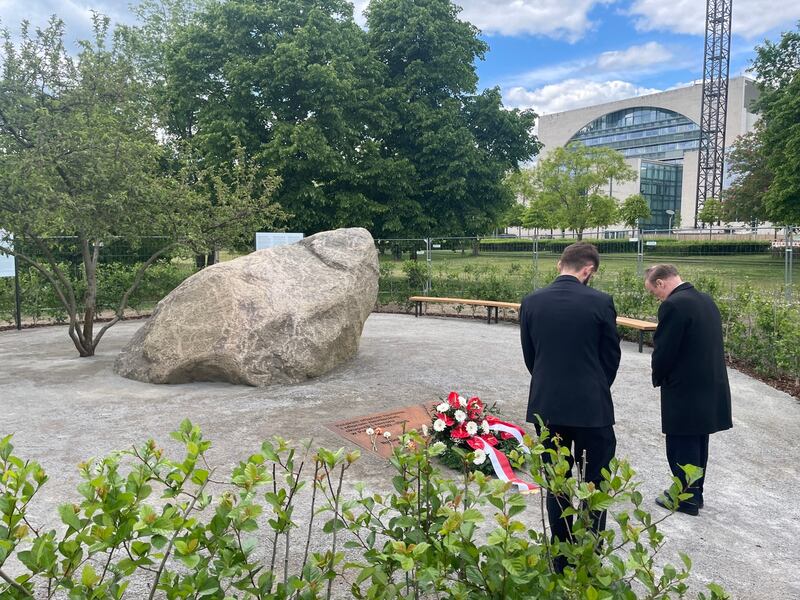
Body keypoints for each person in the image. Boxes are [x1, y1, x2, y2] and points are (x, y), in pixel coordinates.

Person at [519, 242, 621, 567]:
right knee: (595, 483)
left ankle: (561, 558)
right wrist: (592, 386)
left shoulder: (531, 302)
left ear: (559, 264)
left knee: (557, 485)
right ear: (588, 270)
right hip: (592, 411)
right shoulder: (601, 302)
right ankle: (589, 555)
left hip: (547, 408)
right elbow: (611, 358)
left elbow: (530, 356)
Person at [645, 264, 732, 516]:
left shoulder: (674, 305)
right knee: (698, 443)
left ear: (661, 283)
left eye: (654, 292)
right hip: (709, 385)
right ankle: (696, 493)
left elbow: (665, 349)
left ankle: (685, 499)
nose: (657, 297)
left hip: (684, 388)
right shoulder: (705, 300)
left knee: (681, 444)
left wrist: (658, 376)